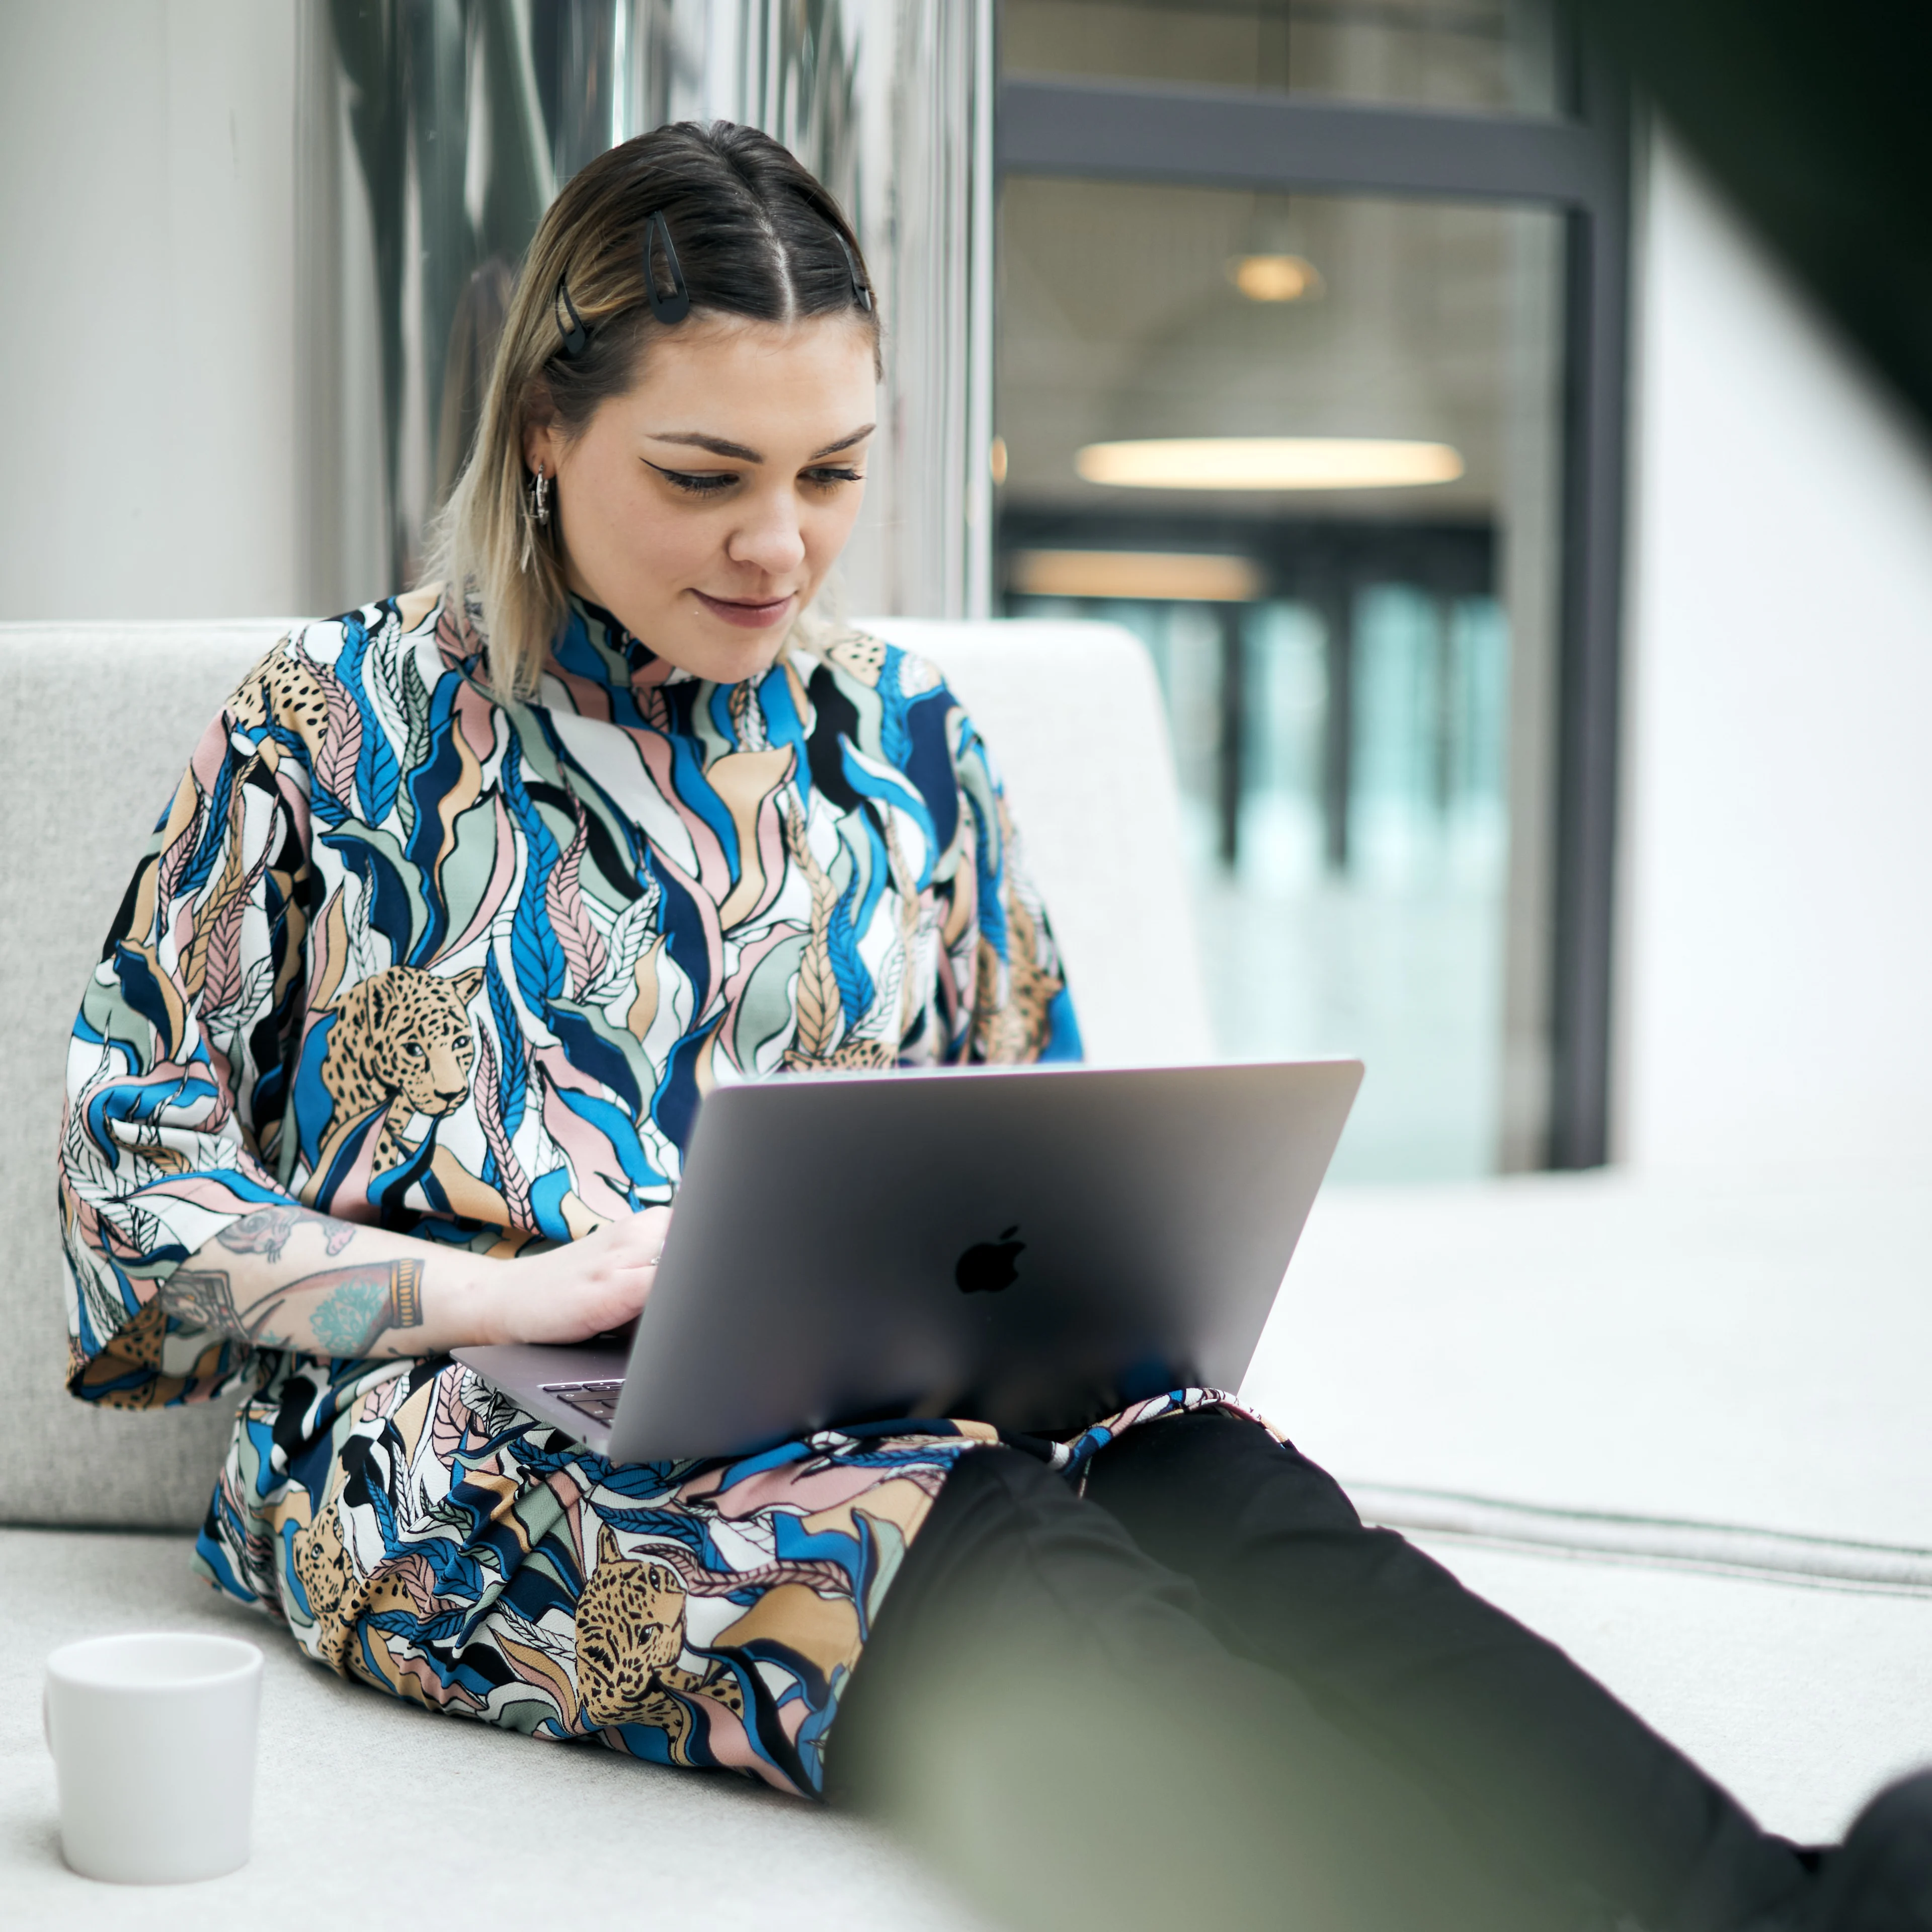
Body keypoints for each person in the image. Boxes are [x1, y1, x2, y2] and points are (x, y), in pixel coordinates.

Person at [56, 121, 1929, 1932]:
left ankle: (1775, 1904)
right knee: (978, 1540)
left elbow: (1043, 1153)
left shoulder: (907, 735)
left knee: (1240, 1503)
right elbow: (128, 1211)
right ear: (543, 432)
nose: (780, 547)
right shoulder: (336, 721)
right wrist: (508, 1293)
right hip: (460, 1446)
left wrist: (1076, 1316)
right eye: (706, 476)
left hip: (870, 1378)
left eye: (833, 473)